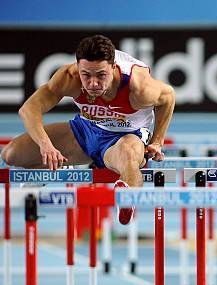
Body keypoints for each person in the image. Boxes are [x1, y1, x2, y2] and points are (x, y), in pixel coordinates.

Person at [0, 35, 175, 225]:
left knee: (128, 155)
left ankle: (126, 198)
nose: (93, 83)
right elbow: (29, 109)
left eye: (101, 75)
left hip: (125, 137)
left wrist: (157, 141)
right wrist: (45, 145)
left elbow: (168, 97)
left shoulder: (138, 87)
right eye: (86, 75)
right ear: (78, 68)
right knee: (11, 155)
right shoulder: (69, 78)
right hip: (86, 130)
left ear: (113, 67)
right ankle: (63, 163)